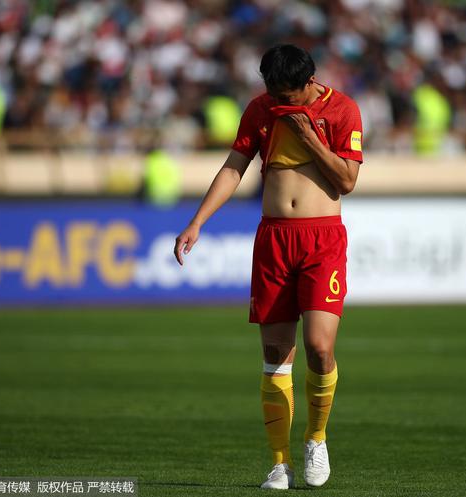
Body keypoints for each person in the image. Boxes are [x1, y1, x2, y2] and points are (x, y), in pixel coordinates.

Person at [173, 44, 363, 489]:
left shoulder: (342, 110)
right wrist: (197, 222)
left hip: (322, 239)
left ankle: (316, 438)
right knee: (276, 355)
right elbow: (234, 166)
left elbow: (348, 181)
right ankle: (279, 463)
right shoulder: (260, 109)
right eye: (275, 92)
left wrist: (310, 136)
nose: (283, 100)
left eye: (290, 94)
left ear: (309, 82)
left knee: (318, 347)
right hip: (275, 238)